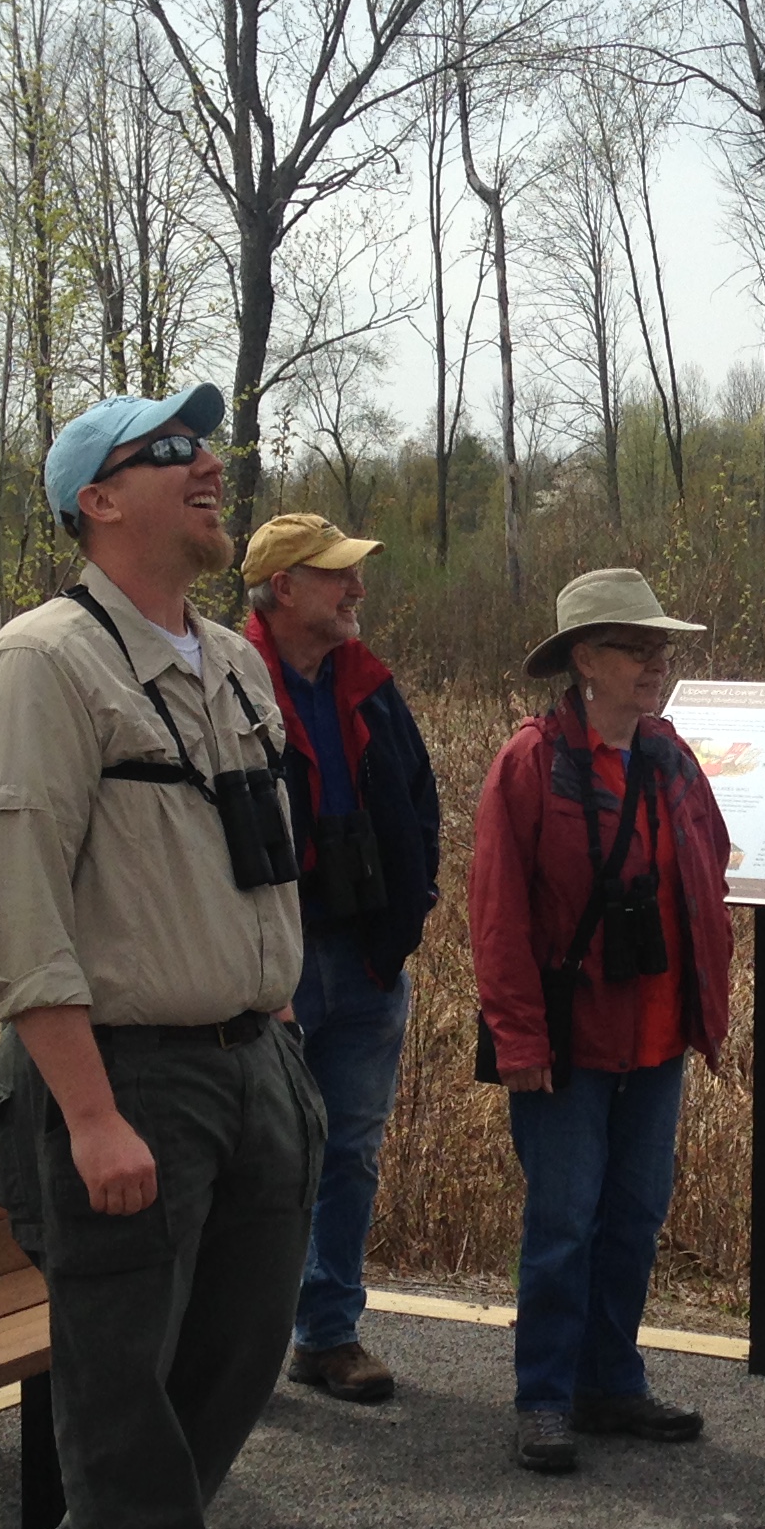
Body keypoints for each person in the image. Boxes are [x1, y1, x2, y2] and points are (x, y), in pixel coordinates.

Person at [0, 382, 324, 1529]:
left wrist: (275, 1012)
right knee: (120, 1386)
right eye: (171, 454)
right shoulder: (43, 665)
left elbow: (249, 859)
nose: (209, 467)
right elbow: (14, 900)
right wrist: (92, 1109)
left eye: (209, 449)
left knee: (232, 1359)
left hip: (252, 1060)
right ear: (95, 500)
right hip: (123, 1077)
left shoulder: (232, 661)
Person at [471, 568, 732, 1476]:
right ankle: (544, 1397)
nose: (658, 663)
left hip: (658, 1035)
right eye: (638, 647)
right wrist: (519, 1040)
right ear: (586, 660)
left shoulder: (671, 759)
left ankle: (610, 1381)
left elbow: (710, 872)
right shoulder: (530, 764)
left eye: (662, 648)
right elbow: (497, 914)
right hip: (568, 1044)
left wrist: (706, 1012)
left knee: (633, 1217)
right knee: (563, 1224)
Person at [238, 513, 442, 1407]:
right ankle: (238, 1351)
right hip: (268, 966)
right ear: (284, 588)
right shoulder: (226, 683)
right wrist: (254, 965)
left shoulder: (369, 682)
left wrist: (410, 909)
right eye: (336, 576)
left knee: (350, 1153)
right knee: (259, 1161)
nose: (356, 590)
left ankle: (327, 1334)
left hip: (363, 957)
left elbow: (420, 799)